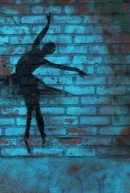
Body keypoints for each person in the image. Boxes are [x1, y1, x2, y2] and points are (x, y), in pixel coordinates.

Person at [6, 14, 86, 152]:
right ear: (49, 51)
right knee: (35, 110)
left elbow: (60, 65)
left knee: (33, 111)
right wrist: (76, 69)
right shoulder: (38, 54)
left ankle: (33, 136)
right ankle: (38, 136)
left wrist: (76, 69)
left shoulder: (36, 49)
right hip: (26, 82)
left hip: (25, 81)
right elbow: (60, 66)